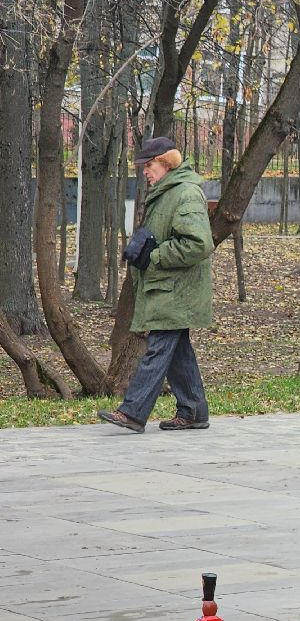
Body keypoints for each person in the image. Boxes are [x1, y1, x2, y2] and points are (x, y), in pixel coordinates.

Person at [98, 136, 214, 433]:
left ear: (167, 163)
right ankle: (193, 411)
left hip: (176, 289)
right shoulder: (165, 192)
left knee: (159, 349)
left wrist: (155, 256)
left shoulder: (185, 193)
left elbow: (198, 244)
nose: (145, 171)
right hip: (168, 287)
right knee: (177, 352)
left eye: (149, 165)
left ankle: (133, 412)